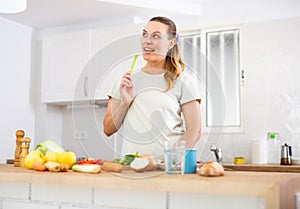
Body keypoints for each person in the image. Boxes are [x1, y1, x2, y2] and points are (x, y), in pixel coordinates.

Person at [103, 16, 201, 159]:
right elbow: (108, 129)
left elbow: (194, 130)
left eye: (156, 36)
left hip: (166, 169)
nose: (147, 41)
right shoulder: (125, 80)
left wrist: (170, 162)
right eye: (144, 34)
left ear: (171, 43)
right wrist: (125, 103)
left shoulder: (183, 80)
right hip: (132, 168)